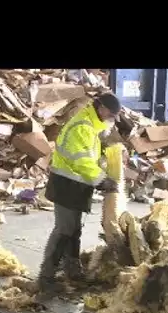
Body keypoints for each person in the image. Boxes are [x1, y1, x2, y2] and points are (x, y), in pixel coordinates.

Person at [38, 92, 121, 294]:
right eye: (110, 114)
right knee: (64, 230)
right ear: (100, 108)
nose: (111, 118)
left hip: (77, 185)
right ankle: (46, 277)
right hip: (67, 185)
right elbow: (81, 161)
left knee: (74, 230)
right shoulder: (82, 126)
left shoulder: (91, 127)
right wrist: (101, 180)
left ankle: (72, 271)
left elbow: (88, 156)